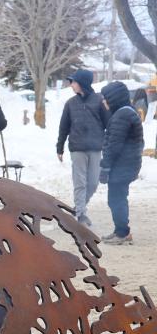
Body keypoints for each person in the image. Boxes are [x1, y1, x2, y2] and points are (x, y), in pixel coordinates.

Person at [56, 69, 107, 227]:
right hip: (77, 147)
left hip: (95, 148)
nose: (71, 84)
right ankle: (81, 214)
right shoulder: (70, 103)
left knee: (92, 183)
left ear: (82, 83)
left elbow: (108, 124)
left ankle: (78, 208)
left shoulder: (99, 100)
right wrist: (60, 147)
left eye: (74, 82)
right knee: (80, 183)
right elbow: (64, 127)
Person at [99, 81, 144, 245]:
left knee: (116, 199)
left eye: (106, 98)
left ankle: (123, 233)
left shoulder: (122, 115)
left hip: (121, 166)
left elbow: (114, 145)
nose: (104, 102)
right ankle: (120, 230)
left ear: (114, 98)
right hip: (126, 164)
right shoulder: (127, 112)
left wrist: (105, 166)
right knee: (118, 198)